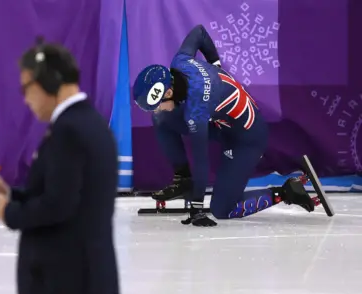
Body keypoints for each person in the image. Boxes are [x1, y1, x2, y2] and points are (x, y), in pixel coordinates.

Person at [0, 38, 119, 294]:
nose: (25, 98)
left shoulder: (70, 130)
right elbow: (65, 191)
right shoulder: (86, 123)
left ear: (50, 82)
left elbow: (59, 204)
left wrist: (11, 212)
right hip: (77, 279)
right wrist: (12, 193)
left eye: (26, 88)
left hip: (67, 280)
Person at [132, 25, 315, 227]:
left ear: (168, 92)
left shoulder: (197, 108)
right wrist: (215, 63)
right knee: (161, 120)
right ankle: (182, 180)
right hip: (225, 125)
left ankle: (286, 192)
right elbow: (199, 33)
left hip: (247, 139)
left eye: (156, 105)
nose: (157, 109)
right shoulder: (180, 62)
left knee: (222, 209)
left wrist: (197, 208)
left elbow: (201, 161)